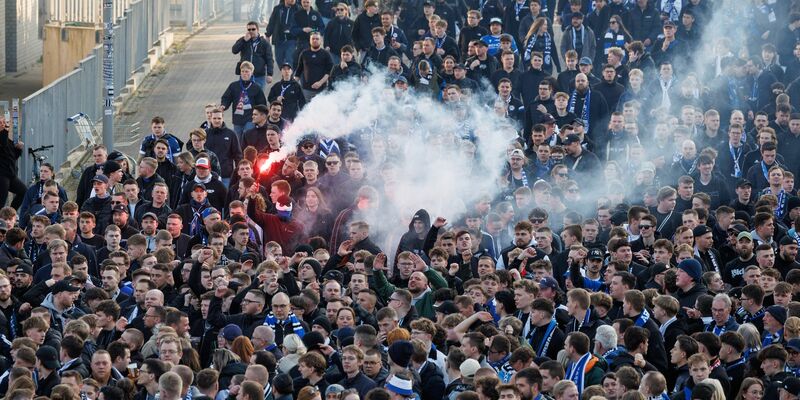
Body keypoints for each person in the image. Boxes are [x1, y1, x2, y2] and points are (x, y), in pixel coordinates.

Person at [232, 21, 274, 88]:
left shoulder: (264, 43)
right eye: (249, 29)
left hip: (259, 76)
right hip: (245, 75)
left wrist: (270, 74)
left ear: (257, 30)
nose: (251, 31)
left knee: (258, 96)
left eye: (253, 29)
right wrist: (244, 41)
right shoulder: (243, 40)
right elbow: (234, 50)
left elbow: (269, 59)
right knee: (245, 96)